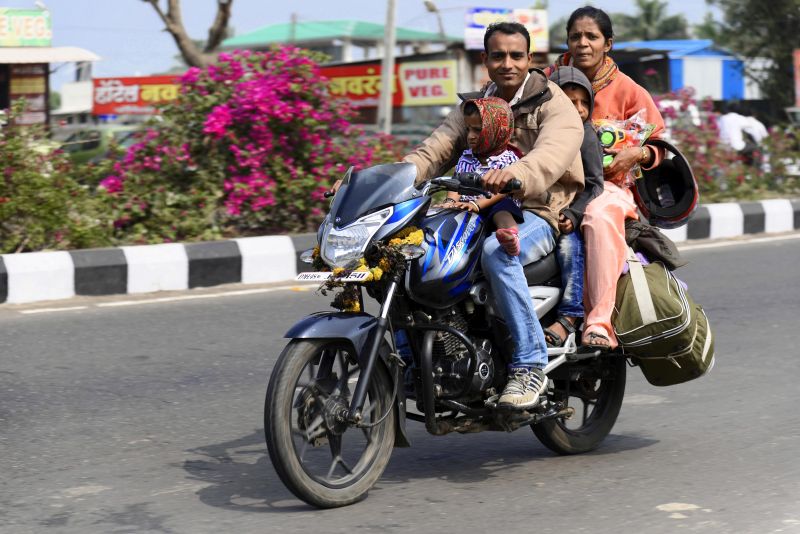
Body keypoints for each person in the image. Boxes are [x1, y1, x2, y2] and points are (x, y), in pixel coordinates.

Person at [404, 22, 585, 408]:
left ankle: (529, 366)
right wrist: (384, 178)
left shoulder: (554, 103)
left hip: (538, 210)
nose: (507, 64)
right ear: (485, 60)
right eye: (498, 55)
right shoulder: (476, 105)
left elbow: (551, 155)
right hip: (475, 205)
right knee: (411, 250)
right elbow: (433, 151)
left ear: (530, 59)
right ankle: (415, 359)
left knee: (495, 252)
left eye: (516, 55)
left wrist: (514, 174)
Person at [551, 6, 666, 350]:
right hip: (553, 186)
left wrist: (638, 153)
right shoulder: (546, 82)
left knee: (597, 216)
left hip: (610, 189)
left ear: (608, 44)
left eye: (592, 36)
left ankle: (598, 322)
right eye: (576, 36)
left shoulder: (630, 91)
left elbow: (659, 144)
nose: (583, 43)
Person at [541, 66, 605, 347]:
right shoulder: (542, 131)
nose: (578, 109)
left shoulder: (586, 135)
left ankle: (570, 315)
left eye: (583, 103)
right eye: (570, 102)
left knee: (570, 246)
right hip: (539, 208)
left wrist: (572, 214)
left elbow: (594, 184)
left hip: (569, 209)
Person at [443, 97, 525, 256]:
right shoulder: (466, 156)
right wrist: (450, 201)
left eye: (477, 130)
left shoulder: (508, 159)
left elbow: (503, 191)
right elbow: (456, 181)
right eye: (468, 129)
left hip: (493, 203)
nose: (470, 136)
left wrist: (477, 204)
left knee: (502, 209)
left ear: (496, 130)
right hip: (468, 207)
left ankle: (510, 235)